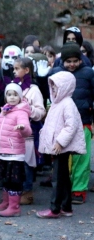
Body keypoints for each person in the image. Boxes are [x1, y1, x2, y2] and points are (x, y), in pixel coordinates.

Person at [48, 43, 94, 204]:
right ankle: (63, 190)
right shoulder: (56, 73)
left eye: (75, 60)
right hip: (62, 125)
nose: (72, 64)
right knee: (63, 161)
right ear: (63, 61)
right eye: (68, 61)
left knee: (81, 159)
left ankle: (79, 190)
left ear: (81, 60)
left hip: (84, 121)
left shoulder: (88, 74)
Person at [36, 71, 86, 218]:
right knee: (63, 177)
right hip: (57, 148)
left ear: (65, 87)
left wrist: (59, 141)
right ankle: (66, 206)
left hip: (61, 147)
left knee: (58, 178)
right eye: (52, 87)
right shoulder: (57, 104)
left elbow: (71, 126)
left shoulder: (67, 104)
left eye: (56, 87)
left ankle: (55, 208)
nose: (54, 89)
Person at [0, 83, 32, 217]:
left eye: (15, 95)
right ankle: (6, 202)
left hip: (15, 153)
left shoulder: (21, 112)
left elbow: (27, 129)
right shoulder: (5, 111)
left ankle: (14, 207)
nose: (12, 97)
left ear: (20, 97)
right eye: (9, 95)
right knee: (5, 179)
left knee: (14, 180)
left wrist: (22, 128)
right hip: (4, 152)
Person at [12, 57, 46, 205]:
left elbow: (41, 111)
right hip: (13, 132)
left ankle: (27, 191)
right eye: (13, 69)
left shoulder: (34, 90)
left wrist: (29, 109)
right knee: (15, 163)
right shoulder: (13, 87)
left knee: (26, 163)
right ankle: (15, 191)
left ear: (26, 70)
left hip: (28, 133)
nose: (14, 71)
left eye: (17, 68)